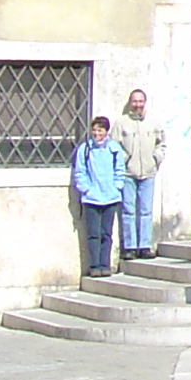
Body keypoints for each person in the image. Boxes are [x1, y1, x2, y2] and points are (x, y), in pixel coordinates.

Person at [70, 117, 128, 278]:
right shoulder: (85, 149)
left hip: (110, 197)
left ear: (106, 131)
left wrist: (118, 185)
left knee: (106, 234)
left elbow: (120, 169)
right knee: (93, 234)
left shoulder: (114, 148)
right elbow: (80, 171)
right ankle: (94, 265)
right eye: (94, 130)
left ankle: (105, 264)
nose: (97, 133)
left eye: (100, 130)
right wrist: (86, 189)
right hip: (91, 198)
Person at [116, 89, 163, 260]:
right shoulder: (121, 123)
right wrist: (124, 160)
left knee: (145, 210)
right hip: (129, 173)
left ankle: (144, 245)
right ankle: (129, 247)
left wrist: (156, 158)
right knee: (128, 210)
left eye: (140, 101)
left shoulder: (153, 123)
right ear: (130, 103)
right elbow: (115, 147)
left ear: (145, 102)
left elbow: (162, 144)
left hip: (148, 173)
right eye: (134, 101)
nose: (137, 105)